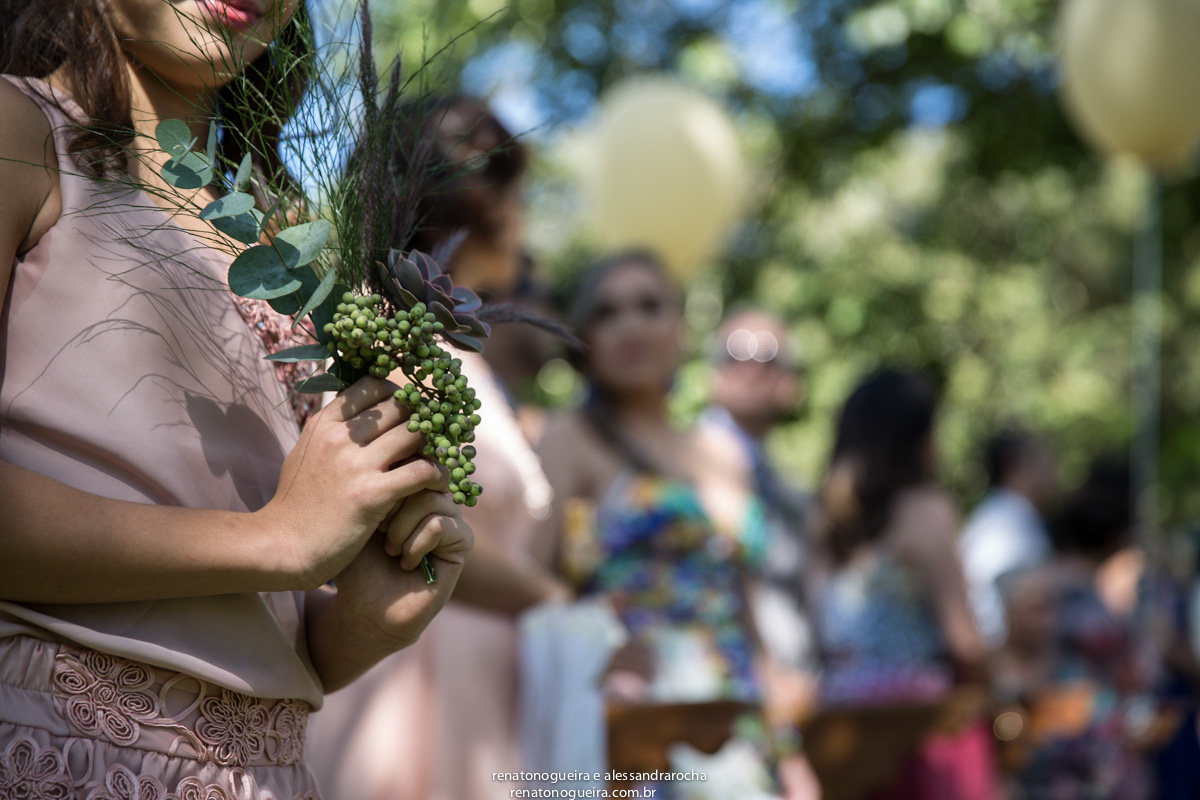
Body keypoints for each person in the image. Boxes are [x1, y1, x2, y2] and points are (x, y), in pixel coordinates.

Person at [0, 2, 471, 797]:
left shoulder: (280, 242)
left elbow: (265, 622)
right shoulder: (21, 131)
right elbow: (279, 544)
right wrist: (278, 542)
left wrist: (359, 624)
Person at [306, 96, 567, 800]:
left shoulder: (454, 351)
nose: (526, 217)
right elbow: (403, 521)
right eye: (523, 193)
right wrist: (558, 600)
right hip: (422, 687)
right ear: (487, 200)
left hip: (487, 686)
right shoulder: (393, 336)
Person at [533, 252, 818, 799]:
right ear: (585, 337)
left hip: (738, 717)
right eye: (607, 312)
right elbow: (531, 579)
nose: (630, 324)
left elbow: (744, 615)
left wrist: (790, 753)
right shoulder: (571, 440)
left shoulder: (722, 453)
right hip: (642, 719)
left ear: (680, 329)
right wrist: (589, 647)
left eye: (649, 305)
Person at [813, 369, 994, 800]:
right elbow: (964, 642)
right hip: (924, 728)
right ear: (918, 436)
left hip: (845, 726)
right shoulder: (927, 510)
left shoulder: (823, 520)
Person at [1000, 460, 1150, 800]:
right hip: (1088, 748)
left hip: (1046, 739)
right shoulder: (1103, 599)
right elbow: (1136, 674)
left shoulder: (1036, 584)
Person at [960, 428, 1059, 648]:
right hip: (1001, 658)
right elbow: (999, 597)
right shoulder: (1005, 522)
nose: (1053, 470)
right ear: (1016, 466)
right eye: (1043, 460)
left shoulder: (1010, 515)